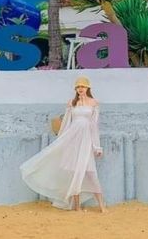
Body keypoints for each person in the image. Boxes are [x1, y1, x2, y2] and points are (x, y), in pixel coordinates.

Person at [20, 76, 106, 212]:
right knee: (73, 172)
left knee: (90, 173)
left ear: (88, 88)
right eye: (78, 87)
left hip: (86, 140)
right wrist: (61, 140)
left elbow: (94, 126)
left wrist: (97, 146)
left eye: (83, 86)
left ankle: (102, 206)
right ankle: (77, 207)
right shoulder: (72, 103)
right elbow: (66, 123)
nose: (80, 89)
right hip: (72, 139)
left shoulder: (94, 103)